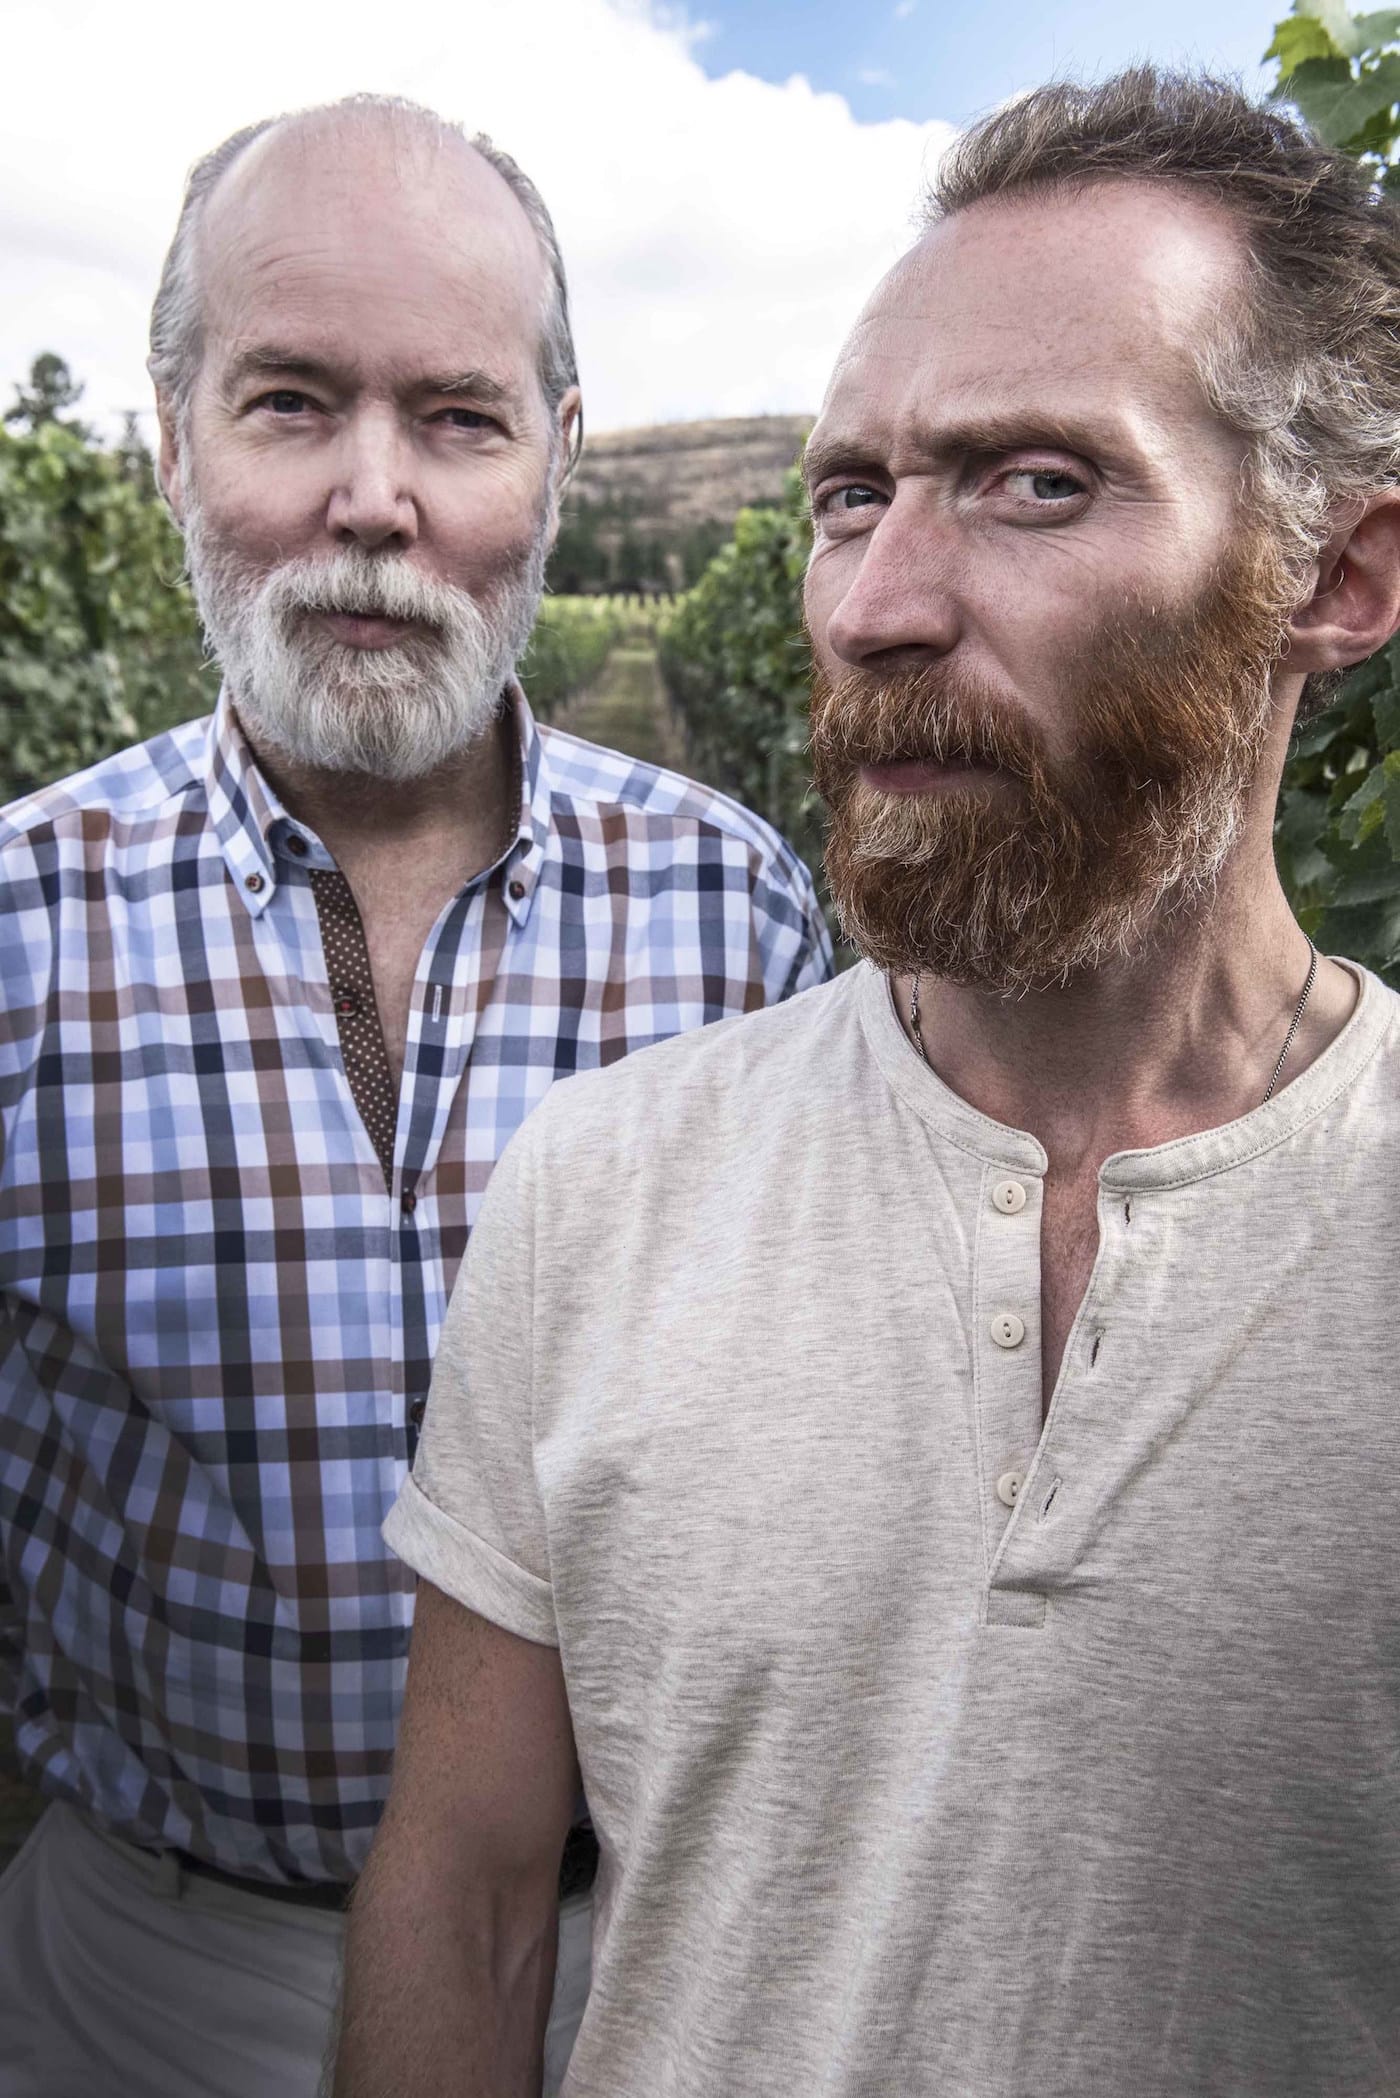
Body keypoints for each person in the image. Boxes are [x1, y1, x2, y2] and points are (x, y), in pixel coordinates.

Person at [341, 68, 1400, 2098]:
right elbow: (464, 1895)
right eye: (851, 493)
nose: (875, 607)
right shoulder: (601, 1186)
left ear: (1333, 580)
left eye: (1036, 484)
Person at [0, 95, 830, 2098]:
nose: (375, 497)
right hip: (147, 1979)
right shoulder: (15, 927)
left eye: (456, 418)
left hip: (648, 1969)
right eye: (291, 403)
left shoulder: (740, 912)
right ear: (174, 431)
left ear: (555, 454)